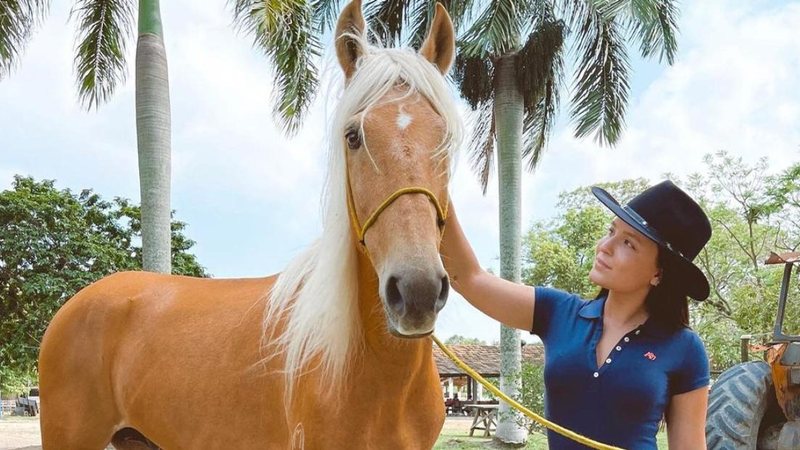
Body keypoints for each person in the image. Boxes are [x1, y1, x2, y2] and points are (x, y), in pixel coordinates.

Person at [441, 180, 711, 449]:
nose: (605, 246)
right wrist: (435, 188)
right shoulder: (557, 311)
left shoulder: (684, 348)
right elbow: (469, 278)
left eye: (629, 243)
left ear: (658, 273)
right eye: (611, 231)